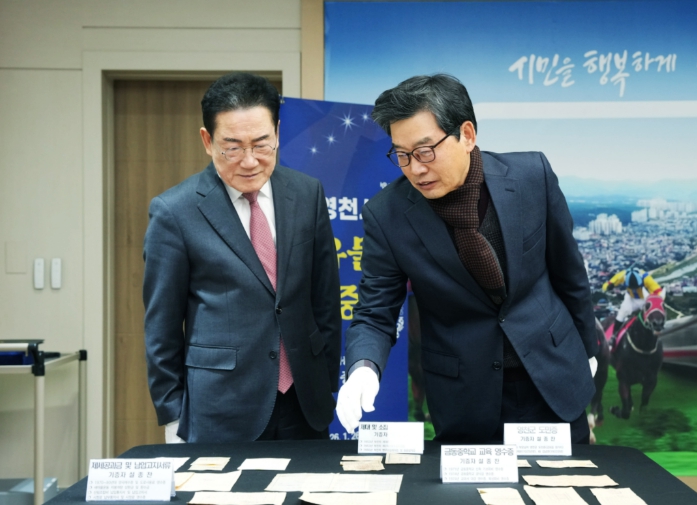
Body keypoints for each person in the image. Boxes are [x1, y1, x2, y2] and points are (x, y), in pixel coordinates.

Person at [336, 74, 599, 444]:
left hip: (553, 376)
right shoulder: (387, 214)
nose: (415, 168)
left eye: (425, 151)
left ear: (467, 135)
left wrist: (588, 350)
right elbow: (374, 312)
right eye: (402, 155)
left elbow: (569, 275)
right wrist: (363, 368)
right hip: (466, 396)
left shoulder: (531, 177)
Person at [143, 72, 341, 443]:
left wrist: (328, 383)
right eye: (232, 148)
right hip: (222, 406)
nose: (249, 161)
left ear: (277, 133)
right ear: (207, 141)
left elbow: (325, 299)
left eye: (262, 145)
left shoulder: (307, 193)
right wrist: (172, 414)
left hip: (305, 402)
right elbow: (162, 327)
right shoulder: (175, 211)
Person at [602, 267, 662, 343]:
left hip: (644, 298)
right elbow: (605, 285)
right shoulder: (622, 275)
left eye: (636, 287)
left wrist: (655, 301)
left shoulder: (646, 278)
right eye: (632, 287)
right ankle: (614, 335)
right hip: (630, 297)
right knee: (621, 314)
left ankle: (655, 331)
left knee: (650, 315)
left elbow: (658, 291)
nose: (634, 289)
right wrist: (608, 286)